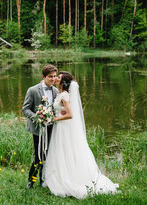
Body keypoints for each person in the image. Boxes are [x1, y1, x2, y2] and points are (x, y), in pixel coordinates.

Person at [42, 71, 119, 199]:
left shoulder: (65, 96)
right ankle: (60, 175)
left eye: (58, 77)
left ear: (63, 82)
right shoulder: (60, 93)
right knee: (62, 152)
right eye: (55, 77)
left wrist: (53, 119)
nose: (55, 78)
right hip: (60, 128)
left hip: (63, 127)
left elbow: (70, 115)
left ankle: (68, 179)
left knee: (65, 150)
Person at [22, 64, 58, 189]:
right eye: (50, 77)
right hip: (38, 128)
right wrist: (37, 118)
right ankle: (31, 181)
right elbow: (25, 109)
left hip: (51, 127)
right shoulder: (33, 90)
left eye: (54, 76)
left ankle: (43, 180)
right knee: (39, 156)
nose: (53, 79)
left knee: (48, 155)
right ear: (43, 77)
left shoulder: (56, 91)